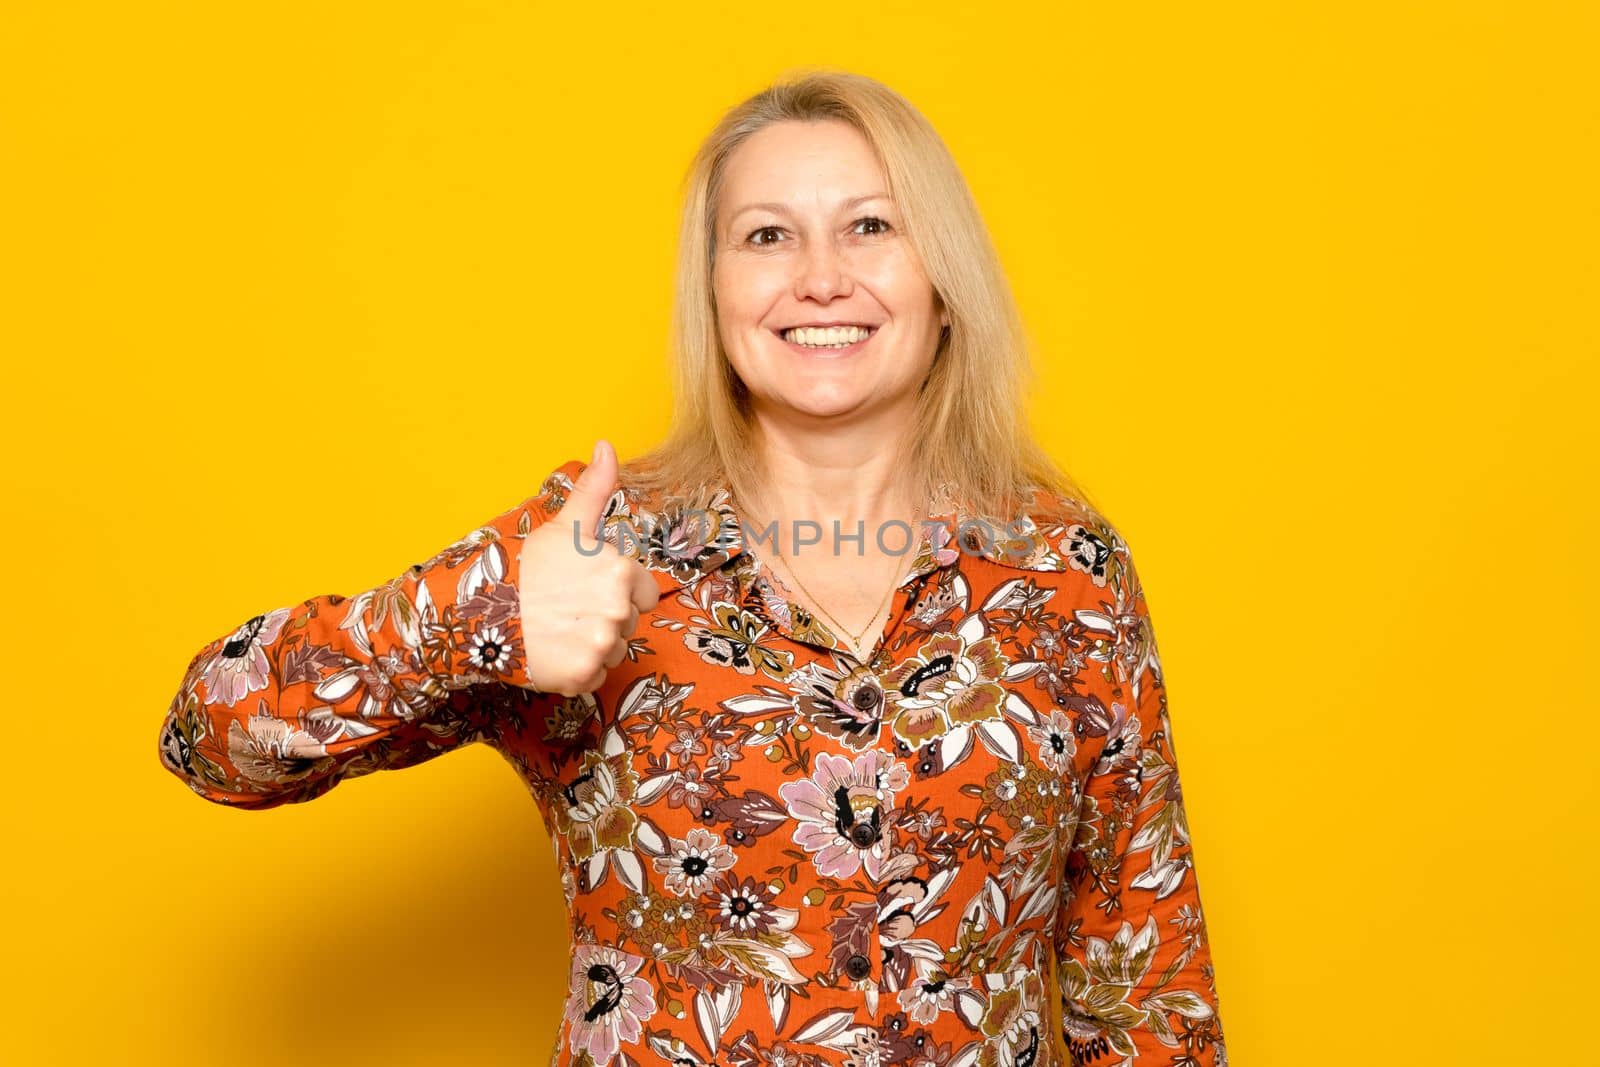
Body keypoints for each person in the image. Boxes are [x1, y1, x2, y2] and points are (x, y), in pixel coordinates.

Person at [158, 70, 1228, 1067]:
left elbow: (1145, 983)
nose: (820, 277)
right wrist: (469, 614)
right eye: (766, 236)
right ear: (712, 293)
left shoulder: (1064, 567)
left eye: (870, 226)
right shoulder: (590, 544)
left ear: (943, 280)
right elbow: (209, 738)